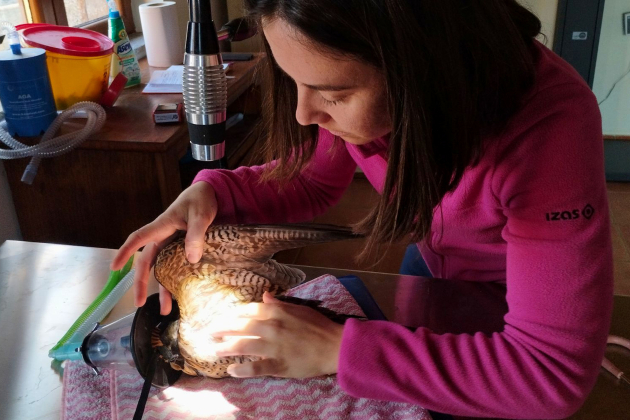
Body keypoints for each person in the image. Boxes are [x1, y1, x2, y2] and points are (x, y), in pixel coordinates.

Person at [111, 0, 613, 418]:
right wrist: (215, 193)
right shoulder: (370, 86)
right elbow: (310, 182)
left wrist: (338, 349)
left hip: (514, 298)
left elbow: (551, 374)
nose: (305, 114)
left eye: (334, 93)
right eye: (294, 83)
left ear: (425, 73)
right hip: (430, 271)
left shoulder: (550, 131)